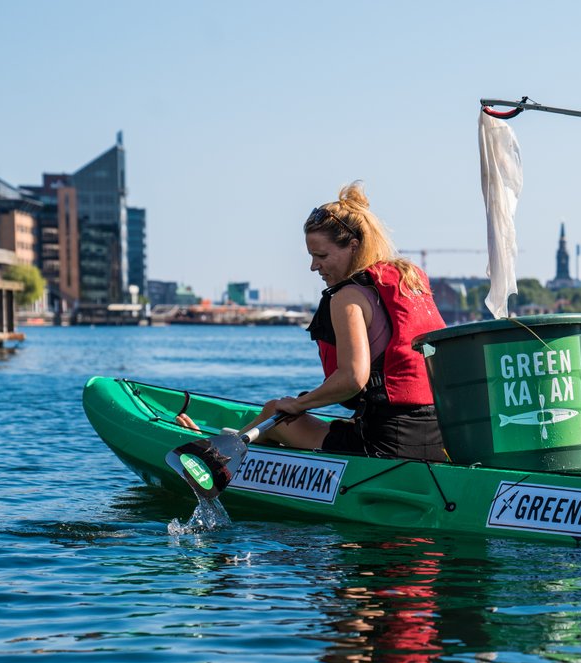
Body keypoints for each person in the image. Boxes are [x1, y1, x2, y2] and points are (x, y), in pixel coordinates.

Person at [187, 181, 448, 460]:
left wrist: (300, 404)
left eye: (321, 256)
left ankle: (216, 458)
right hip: (440, 437)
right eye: (312, 256)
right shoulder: (408, 280)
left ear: (353, 246)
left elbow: (352, 379)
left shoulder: (347, 297)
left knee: (274, 410)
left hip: (384, 446)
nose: (314, 266)